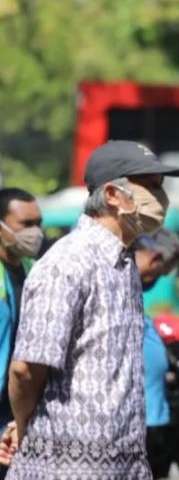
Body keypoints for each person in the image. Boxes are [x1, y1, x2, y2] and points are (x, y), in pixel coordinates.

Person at [5, 140, 179, 478]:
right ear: (112, 195)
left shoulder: (124, 262)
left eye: (160, 187)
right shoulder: (68, 262)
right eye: (148, 186)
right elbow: (25, 370)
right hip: (68, 467)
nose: (160, 198)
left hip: (126, 462)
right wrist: (23, 425)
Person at [134, 231, 179, 479]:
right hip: (141, 419)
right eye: (163, 270)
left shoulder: (135, 295)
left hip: (153, 416)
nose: (163, 277)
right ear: (155, 257)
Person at [0, 189, 42, 476]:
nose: (35, 233)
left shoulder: (34, 270)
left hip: (15, 411)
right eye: (25, 225)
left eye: (38, 223)